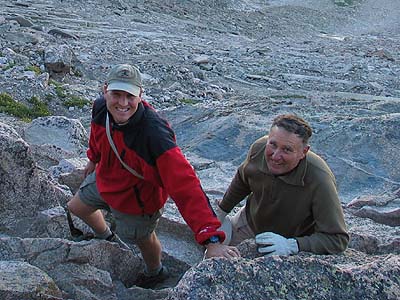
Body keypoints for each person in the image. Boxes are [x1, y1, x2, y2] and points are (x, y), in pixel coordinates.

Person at [67, 63, 240, 289]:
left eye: (129, 95)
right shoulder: (101, 108)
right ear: (105, 90)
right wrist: (93, 158)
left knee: (144, 239)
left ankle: (155, 271)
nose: (122, 102)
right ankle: (106, 236)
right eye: (116, 94)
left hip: (138, 200)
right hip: (106, 178)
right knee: (76, 206)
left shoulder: (154, 134)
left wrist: (211, 239)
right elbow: (98, 136)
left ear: (140, 94)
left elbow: (185, 184)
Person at [215, 114, 349, 256]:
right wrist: (222, 212)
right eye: (272, 144)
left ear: (304, 152)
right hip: (248, 224)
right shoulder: (259, 149)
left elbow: (338, 240)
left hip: (288, 240)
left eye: (287, 150)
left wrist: (293, 245)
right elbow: (243, 180)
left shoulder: (319, 179)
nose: (275, 156)